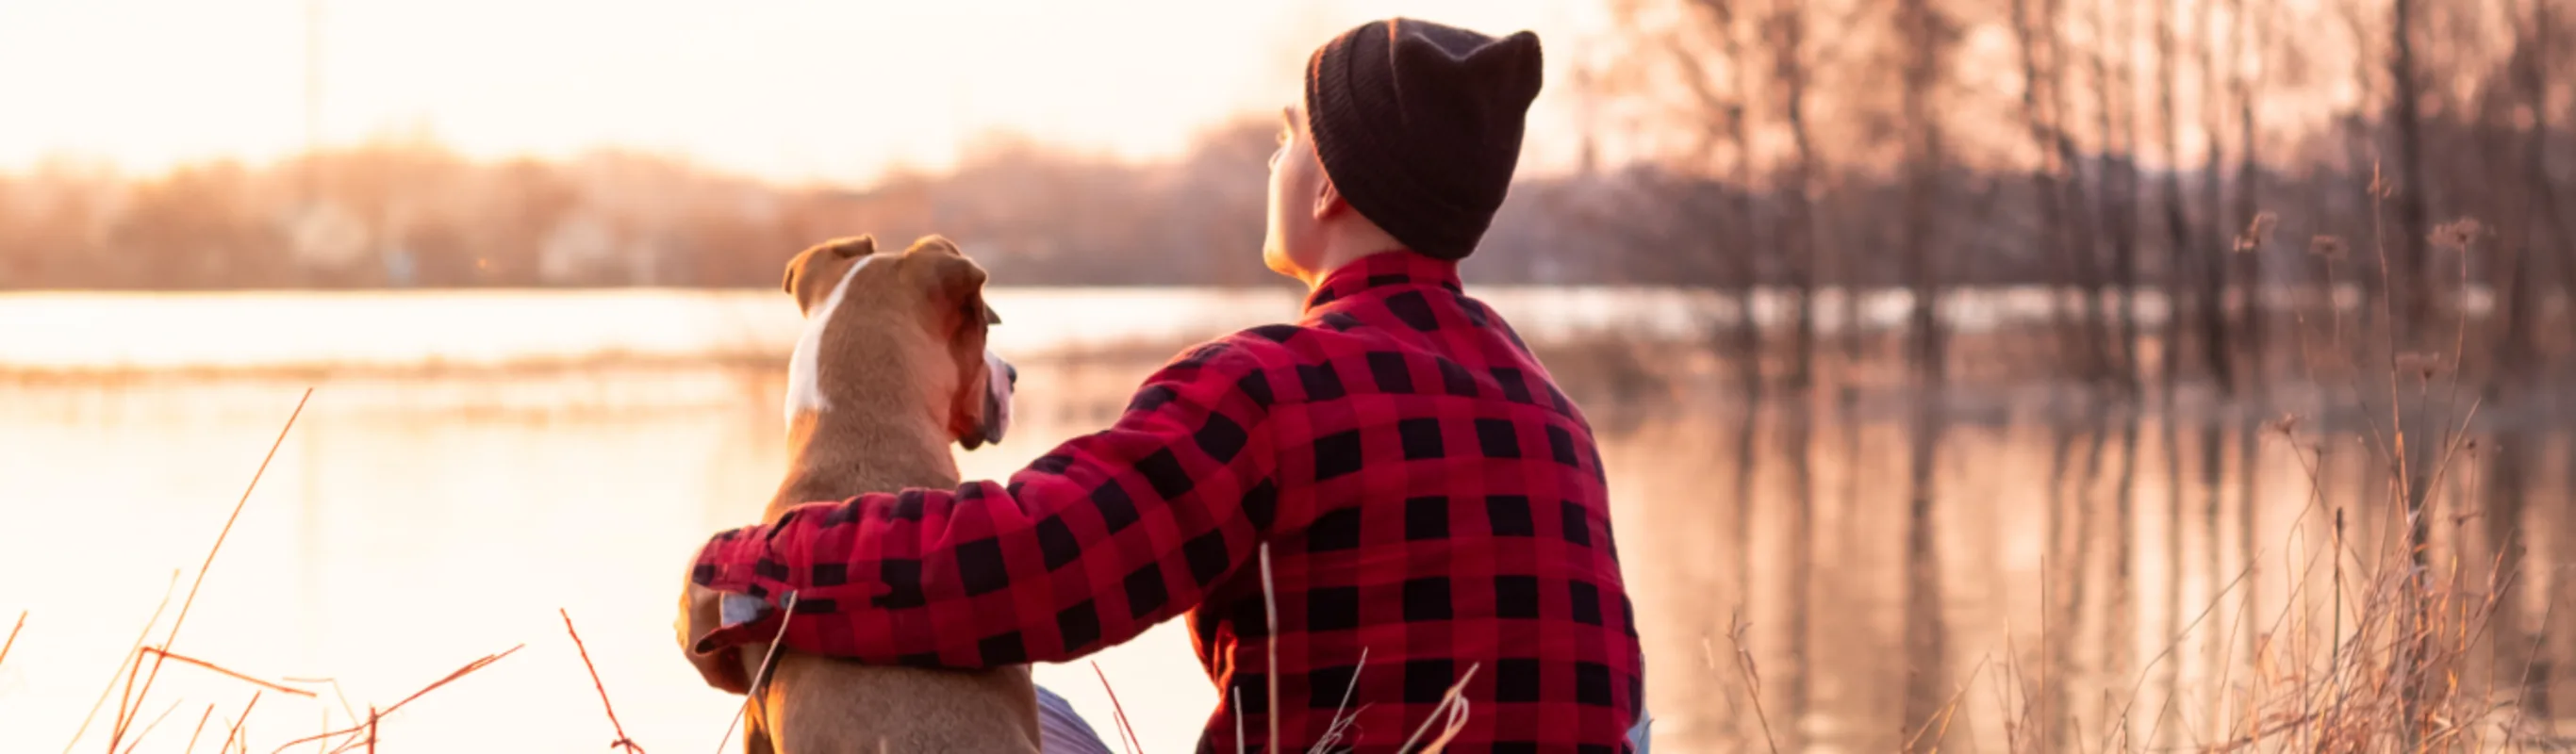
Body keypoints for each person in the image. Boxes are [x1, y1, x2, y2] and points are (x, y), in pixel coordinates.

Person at [679, 17, 1647, 753]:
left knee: (1012, 695)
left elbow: (1028, 567)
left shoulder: (1269, 389)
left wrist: (749, 574)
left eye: (1286, 139)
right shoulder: (1553, 417)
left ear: (1328, 189)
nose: (1272, 159)